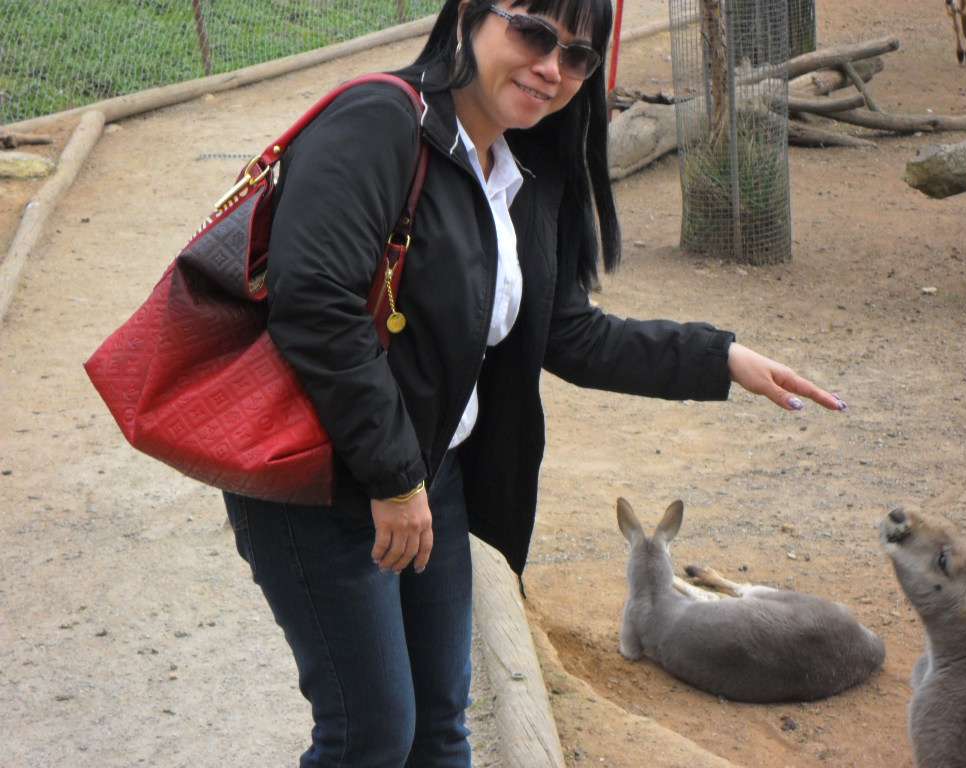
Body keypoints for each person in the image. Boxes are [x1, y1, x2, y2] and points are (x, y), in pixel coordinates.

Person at [222, 0, 847, 764]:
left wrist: (719, 358)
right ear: (469, 15)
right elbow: (314, 303)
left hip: (433, 476)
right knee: (371, 734)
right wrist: (393, 479)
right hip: (321, 480)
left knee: (441, 723)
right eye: (534, 32)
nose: (553, 67)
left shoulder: (525, 169)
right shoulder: (379, 123)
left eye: (577, 56)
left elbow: (565, 331)